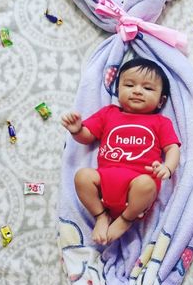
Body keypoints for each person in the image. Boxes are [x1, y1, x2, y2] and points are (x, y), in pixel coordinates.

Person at [61, 58, 181, 245]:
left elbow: (172, 147)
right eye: (129, 84)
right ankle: (101, 216)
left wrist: (168, 167)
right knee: (82, 176)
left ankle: (126, 219)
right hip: (104, 183)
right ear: (117, 91)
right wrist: (77, 130)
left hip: (138, 187)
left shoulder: (160, 122)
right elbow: (88, 137)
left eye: (148, 88)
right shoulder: (109, 113)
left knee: (146, 184)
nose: (137, 91)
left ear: (161, 101)